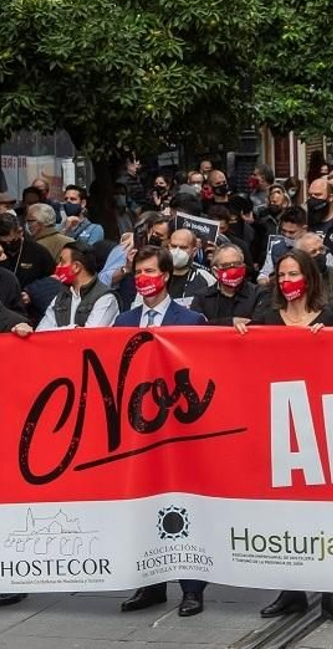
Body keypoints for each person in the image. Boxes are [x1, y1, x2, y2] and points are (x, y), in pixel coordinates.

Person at [234, 249, 333, 625]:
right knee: (283, 512)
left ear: (309, 278)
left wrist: (330, 341)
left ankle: (332, 593)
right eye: (281, 276)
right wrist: (236, 328)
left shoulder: (329, 318)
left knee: (325, 513)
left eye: (293, 274)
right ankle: (291, 592)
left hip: (320, 427)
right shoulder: (266, 319)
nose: (286, 282)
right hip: (277, 428)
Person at [116, 246, 208, 617]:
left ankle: (192, 586)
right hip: (137, 429)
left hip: (180, 427)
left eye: (150, 271)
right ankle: (150, 583)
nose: (143, 279)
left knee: (184, 504)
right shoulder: (123, 321)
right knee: (142, 502)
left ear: (166, 275)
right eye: (138, 272)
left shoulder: (190, 319)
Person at [38, 244, 120, 330]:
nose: (58, 267)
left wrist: (59, 332)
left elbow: (90, 335)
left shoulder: (106, 298)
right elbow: (41, 332)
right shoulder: (60, 298)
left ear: (76, 267)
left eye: (62, 262)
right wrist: (75, 328)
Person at [192, 242, 266, 325]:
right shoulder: (202, 297)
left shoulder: (259, 294)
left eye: (237, 264)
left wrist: (214, 323)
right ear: (215, 272)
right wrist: (231, 322)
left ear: (244, 267)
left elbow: (258, 326)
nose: (233, 270)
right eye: (226, 266)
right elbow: (197, 327)